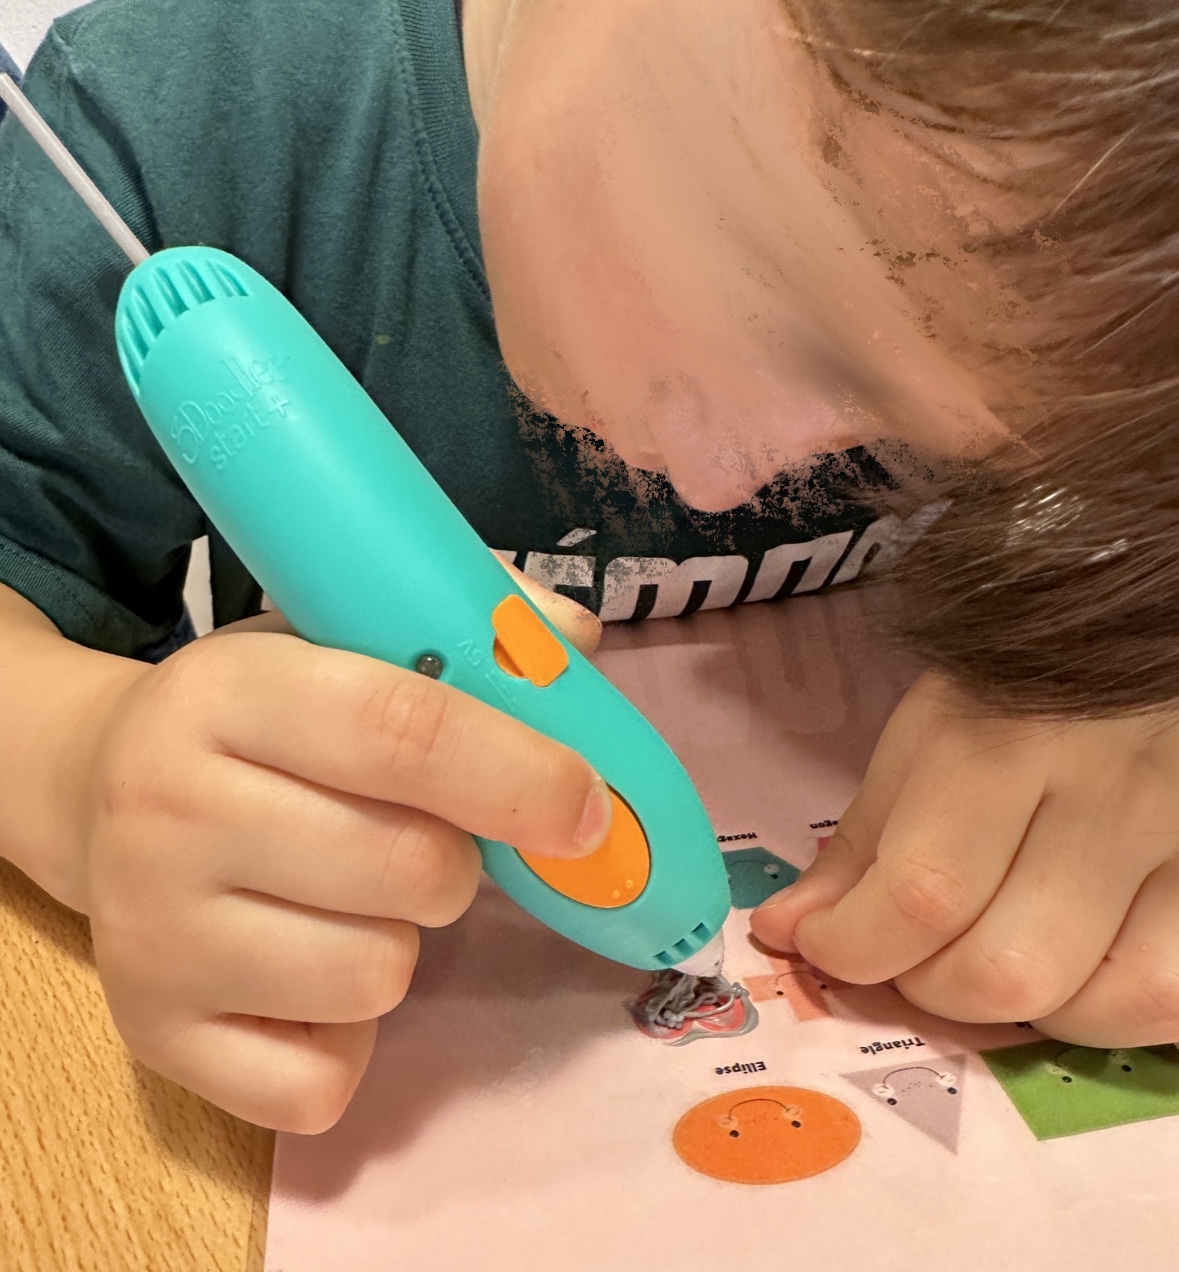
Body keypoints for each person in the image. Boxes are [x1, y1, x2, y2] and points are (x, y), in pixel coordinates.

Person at [0, 0, 1174, 1132]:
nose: (730, 479)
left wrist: (1132, 654)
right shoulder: (167, 130)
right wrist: (76, 761)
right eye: (771, 292)